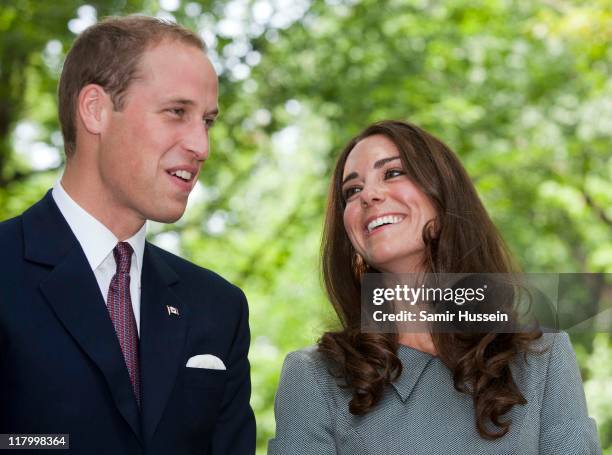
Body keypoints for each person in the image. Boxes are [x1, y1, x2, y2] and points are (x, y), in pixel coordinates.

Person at [0, 16, 255, 454]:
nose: (202, 145)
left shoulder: (219, 307)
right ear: (95, 109)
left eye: (207, 121)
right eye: (177, 112)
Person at [268, 120, 600, 454]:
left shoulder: (543, 357)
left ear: (444, 195)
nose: (368, 194)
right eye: (351, 191)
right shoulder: (313, 377)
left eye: (393, 172)